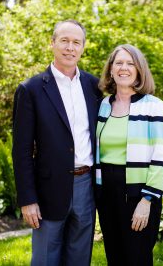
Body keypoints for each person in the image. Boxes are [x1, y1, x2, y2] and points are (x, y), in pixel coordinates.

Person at [12, 19, 102, 265]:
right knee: (45, 259)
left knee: (79, 258)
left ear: (83, 47)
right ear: (52, 43)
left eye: (76, 42)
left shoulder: (94, 87)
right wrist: (28, 199)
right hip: (47, 190)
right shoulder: (30, 89)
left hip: (86, 186)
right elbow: (21, 151)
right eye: (64, 40)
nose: (70, 47)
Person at [95, 44, 163, 266]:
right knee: (114, 256)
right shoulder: (103, 106)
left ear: (139, 70)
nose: (124, 68)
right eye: (118, 63)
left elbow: (160, 156)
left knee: (137, 257)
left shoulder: (154, 106)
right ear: (110, 69)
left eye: (130, 63)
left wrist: (147, 200)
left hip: (139, 193)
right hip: (106, 191)